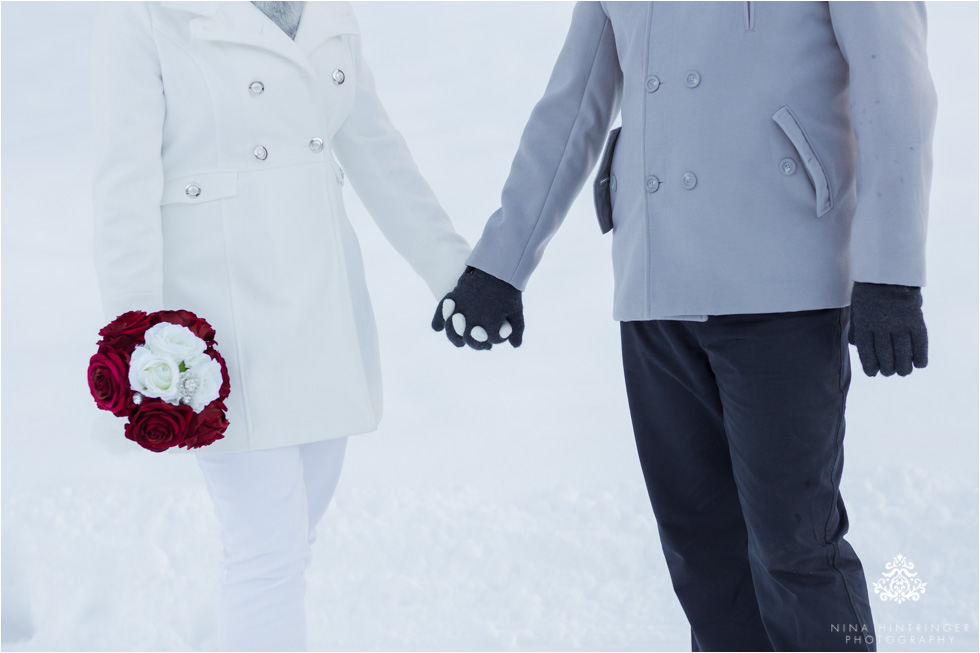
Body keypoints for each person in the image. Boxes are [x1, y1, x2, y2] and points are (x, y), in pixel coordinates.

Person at [433, 2, 935, 651]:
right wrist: (501, 264)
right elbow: (574, 100)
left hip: (783, 284)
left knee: (795, 550)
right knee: (704, 560)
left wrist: (889, 271)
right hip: (655, 286)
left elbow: (893, 84)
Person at [89, 2, 470, 650]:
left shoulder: (325, 8)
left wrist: (455, 273)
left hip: (319, 303)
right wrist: (137, 332)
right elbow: (122, 185)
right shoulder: (144, 13)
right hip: (217, 321)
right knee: (266, 547)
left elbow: (373, 144)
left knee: (287, 541)